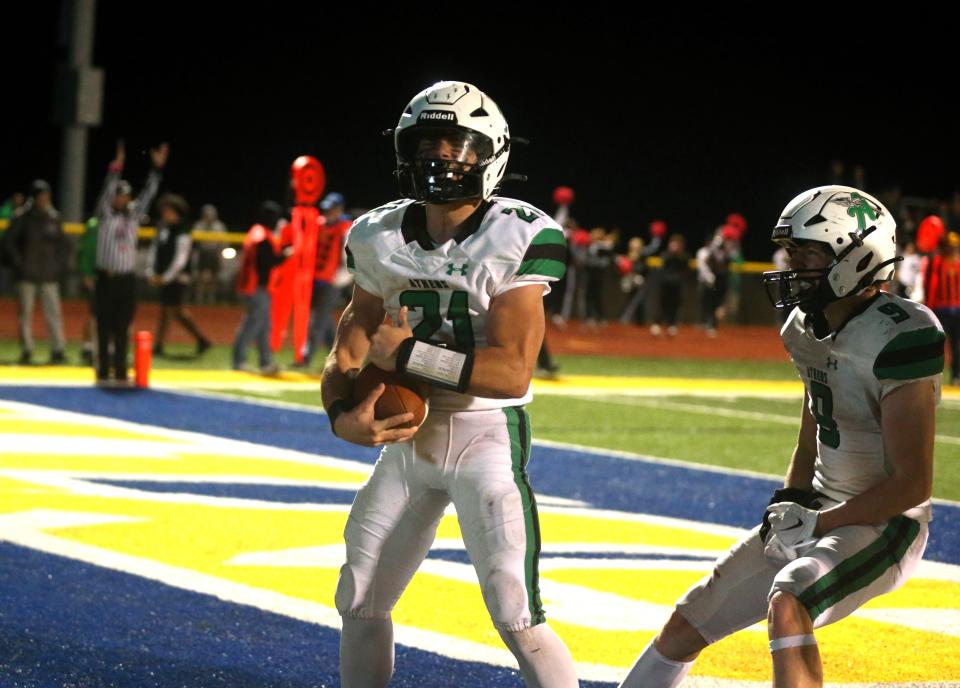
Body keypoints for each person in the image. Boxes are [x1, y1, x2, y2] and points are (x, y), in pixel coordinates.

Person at [619, 186, 942, 688]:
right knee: (688, 621)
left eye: (808, 252)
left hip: (886, 524)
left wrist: (819, 521)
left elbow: (912, 485)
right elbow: (815, 414)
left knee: (790, 599)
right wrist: (791, 498)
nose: (793, 266)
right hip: (819, 509)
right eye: (792, 252)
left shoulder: (903, 333)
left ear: (857, 256)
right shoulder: (804, 325)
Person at [321, 80, 579, 688]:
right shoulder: (377, 235)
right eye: (427, 144)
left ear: (491, 154)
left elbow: (513, 369)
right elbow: (348, 345)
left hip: (485, 436)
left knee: (515, 610)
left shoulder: (518, 233)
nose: (440, 158)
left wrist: (409, 354)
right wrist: (340, 413)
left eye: (458, 145)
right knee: (358, 594)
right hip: (409, 443)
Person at [93, 139, 166, 383]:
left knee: (123, 326)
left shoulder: (134, 215)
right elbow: (106, 190)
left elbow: (149, 194)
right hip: (106, 278)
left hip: (126, 280)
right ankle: (103, 369)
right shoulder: (105, 213)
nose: (124, 200)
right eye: (120, 196)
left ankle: (121, 369)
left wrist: (157, 169)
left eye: (126, 196)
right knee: (104, 327)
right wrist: (117, 167)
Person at [5, 180, 69, 364]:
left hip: (49, 274)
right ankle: (27, 349)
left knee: (54, 313)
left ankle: (58, 349)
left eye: (46, 195)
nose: (44, 199)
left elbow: (64, 245)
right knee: (25, 313)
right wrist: (19, 263)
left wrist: (58, 266)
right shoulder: (22, 217)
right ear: (34, 197)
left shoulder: (53, 217)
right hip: (27, 275)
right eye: (41, 195)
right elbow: (9, 243)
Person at [146, 193, 211, 356]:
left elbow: (180, 259)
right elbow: (154, 251)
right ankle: (202, 340)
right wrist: (152, 272)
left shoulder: (183, 230)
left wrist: (165, 277)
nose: (165, 214)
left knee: (169, 310)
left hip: (178, 277)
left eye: (168, 211)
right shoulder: (163, 228)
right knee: (174, 311)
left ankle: (159, 346)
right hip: (165, 275)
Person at [232, 201, 290, 373]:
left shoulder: (257, 232)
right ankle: (239, 361)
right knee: (252, 325)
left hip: (256, 287)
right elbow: (266, 262)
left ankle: (266, 362)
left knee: (265, 326)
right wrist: (285, 255)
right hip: (256, 287)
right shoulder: (262, 236)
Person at [301, 191, 351, 366]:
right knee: (325, 320)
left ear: (339, 209)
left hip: (332, 281)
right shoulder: (319, 224)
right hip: (315, 279)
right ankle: (338, 356)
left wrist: (341, 277)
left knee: (317, 320)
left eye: (332, 209)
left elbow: (348, 256)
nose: (328, 212)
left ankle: (305, 357)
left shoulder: (346, 227)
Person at [191, 203, 227, 304]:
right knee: (200, 277)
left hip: (214, 252)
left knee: (214, 277)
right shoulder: (199, 225)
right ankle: (199, 298)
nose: (209, 216)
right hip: (203, 252)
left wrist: (220, 254)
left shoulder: (219, 226)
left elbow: (224, 241)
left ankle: (211, 298)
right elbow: (194, 240)